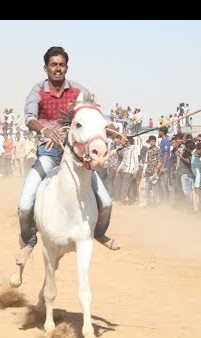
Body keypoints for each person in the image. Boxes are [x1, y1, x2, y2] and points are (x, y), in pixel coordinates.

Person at [15, 46, 121, 267]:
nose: (57, 69)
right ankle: (29, 242)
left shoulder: (79, 92)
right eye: (53, 65)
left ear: (66, 67)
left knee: (107, 203)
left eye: (61, 65)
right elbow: (29, 118)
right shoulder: (37, 91)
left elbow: (97, 115)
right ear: (45, 68)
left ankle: (98, 233)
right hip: (48, 155)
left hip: (76, 161)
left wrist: (115, 131)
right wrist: (45, 131)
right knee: (25, 206)